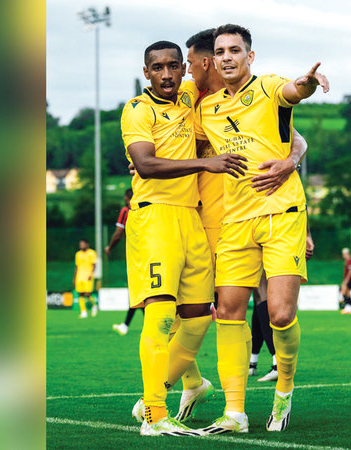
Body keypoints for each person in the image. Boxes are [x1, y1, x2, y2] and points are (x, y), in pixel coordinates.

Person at [194, 24, 329, 434]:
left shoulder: (269, 87)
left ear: (249, 56)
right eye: (221, 51)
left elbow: (294, 92)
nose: (227, 57)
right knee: (228, 312)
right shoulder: (206, 109)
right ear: (213, 60)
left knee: (280, 313)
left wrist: (307, 84)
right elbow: (184, 142)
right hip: (235, 220)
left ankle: (284, 390)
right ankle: (235, 412)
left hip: (282, 212)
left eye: (235, 50)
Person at [120, 40, 248, 436]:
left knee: (196, 318)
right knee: (160, 316)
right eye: (158, 67)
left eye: (175, 66)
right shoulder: (137, 109)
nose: (167, 74)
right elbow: (145, 164)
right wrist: (206, 163)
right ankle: (154, 414)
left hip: (191, 216)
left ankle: (192, 385)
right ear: (146, 72)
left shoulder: (189, 98)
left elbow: (216, 79)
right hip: (155, 216)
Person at [251, 221, 314, 382]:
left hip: (262, 227)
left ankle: (276, 363)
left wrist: (307, 234)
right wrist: (307, 234)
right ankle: (253, 361)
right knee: (259, 297)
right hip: (279, 228)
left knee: (262, 292)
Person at [105, 189, 141, 335]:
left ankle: (126, 326)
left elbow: (119, 233)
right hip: (153, 252)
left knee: (138, 293)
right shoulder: (147, 207)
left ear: (127, 198)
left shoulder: (126, 210)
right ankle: (126, 325)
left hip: (136, 256)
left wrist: (110, 247)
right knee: (143, 293)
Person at [73, 239, 98, 318]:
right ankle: (83, 311)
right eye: (80, 244)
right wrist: (74, 278)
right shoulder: (78, 254)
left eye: (83, 244)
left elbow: (94, 265)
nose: (81, 246)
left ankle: (94, 305)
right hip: (79, 276)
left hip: (88, 276)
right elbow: (76, 267)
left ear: (87, 244)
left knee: (87, 294)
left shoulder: (92, 253)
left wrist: (91, 274)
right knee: (80, 294)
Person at [341, 247, 351, 314]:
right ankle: (349, 308)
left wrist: (346, 280)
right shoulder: (348, 261)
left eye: (343, 254)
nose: (343, 255)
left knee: (343, 292)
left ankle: (348, 307)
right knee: (347, 293)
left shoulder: (349, 261)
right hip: (349, 279)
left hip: (349, 280)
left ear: (347, 253)